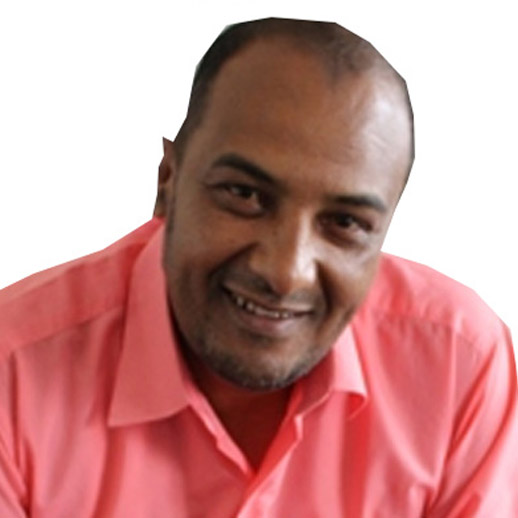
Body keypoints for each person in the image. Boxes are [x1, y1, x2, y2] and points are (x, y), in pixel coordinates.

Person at [0, 17, 516, 517]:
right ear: (168, 182)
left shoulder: (460, 362)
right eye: (244, 195)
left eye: (345, 222)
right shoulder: (12, 369)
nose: (286, 272)